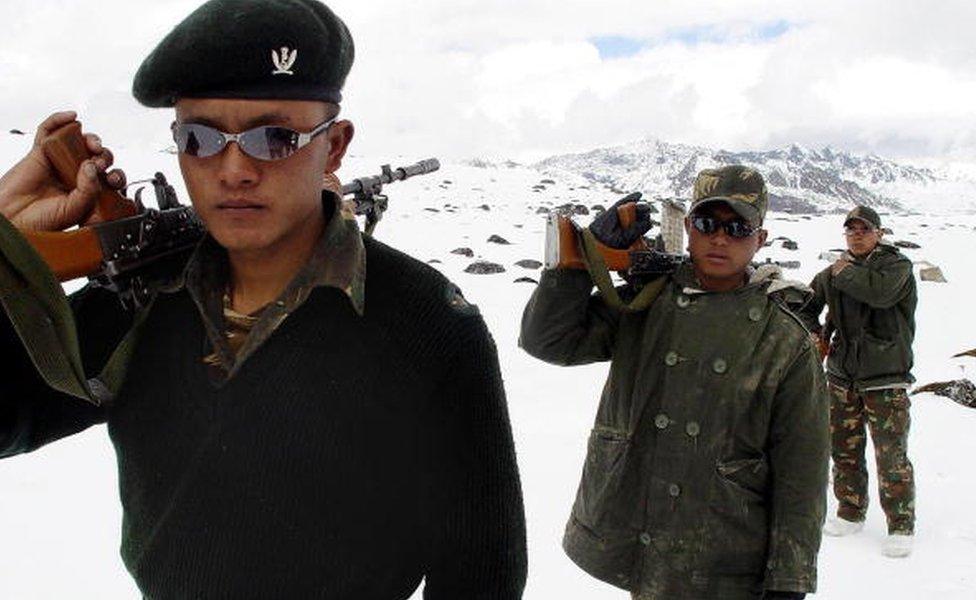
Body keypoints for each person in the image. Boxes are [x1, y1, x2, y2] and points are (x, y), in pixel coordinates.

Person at [0, 1, 526, 598]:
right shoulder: (142, 292)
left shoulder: (426, 321)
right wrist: (7, 249)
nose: (233, 170)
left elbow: (482, 569)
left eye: (274, 138)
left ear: (334, 147)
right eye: (199, 137)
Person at [520, 166, 828, 599]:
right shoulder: (647, 301)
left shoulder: (783, 339)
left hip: (723, 551)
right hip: (641, 530)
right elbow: (548, 341)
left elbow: (802, 473)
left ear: (759, 240)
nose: (720, 238)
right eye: (707, 224)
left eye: (738, 227)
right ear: (689, 228)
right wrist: (579, 265)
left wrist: (788, 582)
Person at [797, 205, 917, 558]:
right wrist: (815, 332)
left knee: (891, 453)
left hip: (886, 377)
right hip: (842, 376)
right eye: (851, 230)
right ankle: (850, 511)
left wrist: (842, 271)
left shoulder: (896, 267)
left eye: (864, 229)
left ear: (879, 233)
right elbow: (805, 303)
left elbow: (879, 293)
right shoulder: (835, 271)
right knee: (844, 448)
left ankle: (901, 524)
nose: (857, 234)